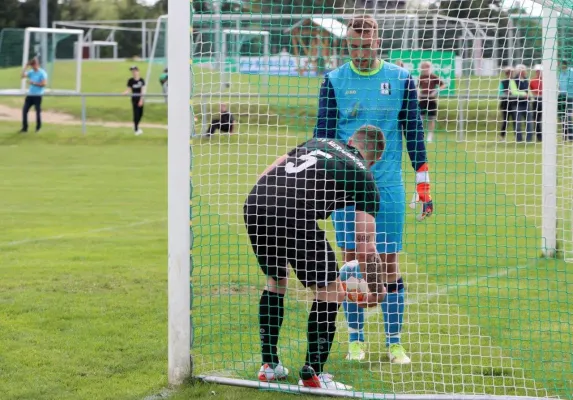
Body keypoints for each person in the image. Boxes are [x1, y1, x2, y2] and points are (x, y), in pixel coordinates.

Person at [314, 15, 433, 364]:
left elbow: (413, 131)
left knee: (389, 262)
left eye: (365, 45)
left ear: (378, 42)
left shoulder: (401, 79)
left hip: (387, 188)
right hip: (346, 187)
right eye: (353, 45)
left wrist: (423, 183)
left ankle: (394, 343)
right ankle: (356, 340)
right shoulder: (334, 80)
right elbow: (323, 135)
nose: (360, 51)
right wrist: (323, 183)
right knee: (351, 263)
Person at [245, 126, 387, 389]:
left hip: (256, 201)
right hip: (293, 213)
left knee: (276, 280)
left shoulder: (319, 141)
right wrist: (376, 290)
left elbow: (272, 168)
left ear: (351, 141)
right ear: (375, 159)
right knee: (332, 291)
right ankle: (314, 374)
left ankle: (270, 365)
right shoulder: (365, 178)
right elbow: (365, 247)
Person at [418, 61, 446, 143]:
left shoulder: (433, 76)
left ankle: (430, 136)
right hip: (423, 100)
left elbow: (443, 85)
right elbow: (417, 86)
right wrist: (418, 92)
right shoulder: (421, 77)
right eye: (424, 66)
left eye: (427, 66)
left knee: (431, 118)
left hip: (431, 100)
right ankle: (421, 135)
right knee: (420, 118)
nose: (425, 68)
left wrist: (435, 91)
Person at [20, 58, 48, 133]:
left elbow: (44, 84)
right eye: (32, 64)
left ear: (38, 64)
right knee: (24, 110)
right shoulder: (31, 72)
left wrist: (34, 83)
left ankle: (38, 127)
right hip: (30, 95)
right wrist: (25, 67)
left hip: (38, 95)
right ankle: (24, 128)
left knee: (37, 111)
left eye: (35, 64)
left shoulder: (42, 73)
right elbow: (22, 76)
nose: (34, 66)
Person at [509, 64, 531, 142]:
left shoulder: (526, 80)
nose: (524, 72)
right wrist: (524, 94)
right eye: (522, 70)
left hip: (526, 104)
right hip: (517, 104)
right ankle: (519, 139)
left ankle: (529, 139)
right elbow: (514, 92)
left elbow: (529, 91)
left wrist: (532, 97)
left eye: (524, 70)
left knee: (529, 123)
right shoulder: (513, 80)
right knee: (517, 123)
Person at [123, 66, 145, 135]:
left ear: (138, 71)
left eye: (135, 71)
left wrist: (141, 100)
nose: (133, 73)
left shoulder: (141, 80)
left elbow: (142, 90)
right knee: (136, 114)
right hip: (134, 99)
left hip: (140, 98)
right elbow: (129, 89)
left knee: (140, 114)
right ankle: (136, 129)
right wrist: (125, 92)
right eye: (132, 71)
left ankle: (136, 125)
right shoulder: (130, 80)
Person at [558, 60, 573, 141]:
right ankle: (565, 135)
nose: (562, 65)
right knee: (562, 116)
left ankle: (571, 136)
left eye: (563, 64)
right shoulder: (560, 74)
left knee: (569, 116)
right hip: (561, 96)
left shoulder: (571, 73)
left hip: (570, 96)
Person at [498, 66, 513, 141]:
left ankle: (518, 137)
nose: (510, 74)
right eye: (508, 72)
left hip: (514, 103)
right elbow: (500, 93)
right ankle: (502, 136)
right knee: (505, 120)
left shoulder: (515, 81)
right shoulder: (503, 82)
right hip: (505, 103)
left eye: (511, 72)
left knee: (515, 120)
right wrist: (506, 93)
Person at [529, 65, 543, 142]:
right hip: (536, 101)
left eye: (540, 71)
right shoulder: (532, 81)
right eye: (537, 71)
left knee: (544, 119)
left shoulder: (546, 80)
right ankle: (539, 137)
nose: (538, 72)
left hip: (545, 101)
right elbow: (530, 90)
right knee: (537, 120)